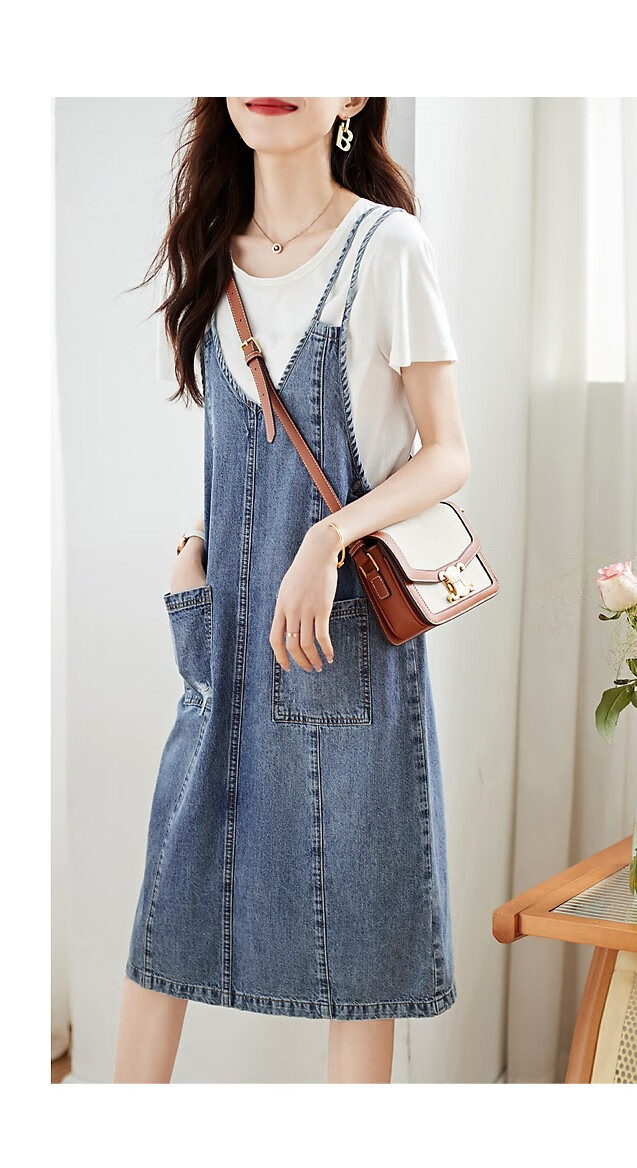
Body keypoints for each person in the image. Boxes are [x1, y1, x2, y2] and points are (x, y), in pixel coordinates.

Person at [114, 97, 470, 1085]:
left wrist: (329, 535)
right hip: (225, 640)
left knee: (360, 952)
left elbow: (449, 452)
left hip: (334, 646)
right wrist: (192, 552)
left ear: (352, 94)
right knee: (168, 916)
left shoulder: (386, 248)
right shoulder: (211, 251)